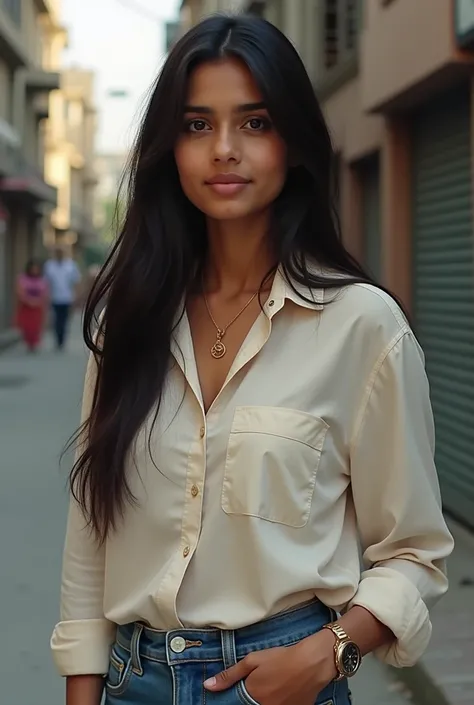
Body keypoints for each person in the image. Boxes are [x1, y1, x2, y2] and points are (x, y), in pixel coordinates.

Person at [50, 14, 454, 705]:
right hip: (132, 680)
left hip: (282, 682)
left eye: (256, 123)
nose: (225, 149)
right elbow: (93, 532)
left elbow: (414, 552)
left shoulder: (362, 326)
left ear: (293, 141)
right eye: (198, 124)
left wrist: (328, 654)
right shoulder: (132, 320)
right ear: (168, 147)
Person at [44, 247, 81, 350]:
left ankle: (62, 339)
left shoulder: (70, 265)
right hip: (54, 297)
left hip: (67, 298)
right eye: (57, 253)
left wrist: (77, 296)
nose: (59, 255)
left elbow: (76, 281)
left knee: (64, 320)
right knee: (56, 320)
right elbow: (46, 282)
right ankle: (57, 339)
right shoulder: (49, 265)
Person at [14, 259, 48, 352]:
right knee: (27, 326)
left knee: (35, 327)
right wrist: (29, 301)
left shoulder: (41, 280)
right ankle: (28, 342)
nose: (34, 271)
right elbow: (20, 292)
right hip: (26, 307)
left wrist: (37, 301)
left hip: (37, 307)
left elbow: (44, 293)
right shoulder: (22, 278)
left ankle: (34, 343)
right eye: (33, 269)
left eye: (36, 269)